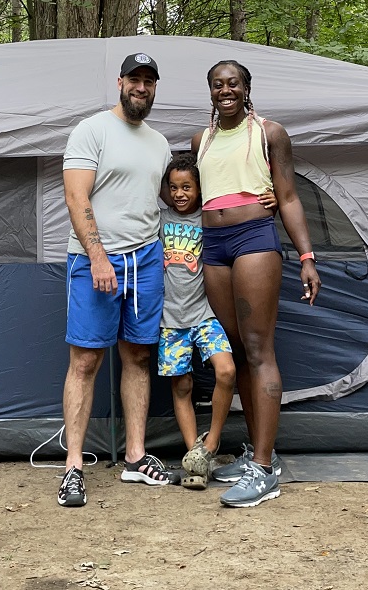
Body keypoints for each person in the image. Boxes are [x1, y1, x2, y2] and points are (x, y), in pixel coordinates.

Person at [190, 59, 322, 508]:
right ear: (209, 91)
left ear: (247, 89)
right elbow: (188, 195)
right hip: (213, 244)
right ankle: (256, 452)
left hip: (254, 240)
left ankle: (264, 470)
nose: (225, 90)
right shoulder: (200, 140)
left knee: (259, 347)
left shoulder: (269, 132)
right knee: (237, 347)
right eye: (217, 85)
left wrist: (306, 257)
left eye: (233, 83)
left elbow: (286, 196)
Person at [57, 52, 173, 508]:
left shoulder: (159, 143)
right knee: (85, 361)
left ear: (154, 87)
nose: (141, 88)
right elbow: (75, 195)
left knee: (139, 356)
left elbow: (166, 197)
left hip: (146, 260)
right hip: (94, 261)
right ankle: (73, 467)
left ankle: (136, 457)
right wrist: (99, 256)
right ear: (120, 82)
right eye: (135, 79)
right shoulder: (91, 131)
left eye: (150, 81)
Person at [158, 154, 236, 490]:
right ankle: (194, 457)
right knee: (182, 386)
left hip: (204, 314)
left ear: (200, 189)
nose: (179, 193)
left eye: (186, 187)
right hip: (170, 320)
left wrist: (271, 199)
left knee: (227, 371)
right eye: (173, 187)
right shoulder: (158, 218)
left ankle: (210, 444)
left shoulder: (209, 220)